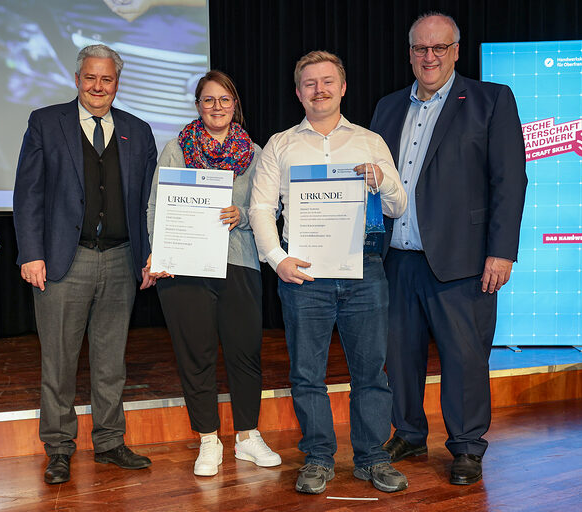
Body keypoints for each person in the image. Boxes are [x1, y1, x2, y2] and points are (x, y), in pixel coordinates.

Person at [370, 12, 527, 485]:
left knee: (465, 359)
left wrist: (502, 251)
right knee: (399, 355)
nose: (430, 57)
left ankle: (465, 447)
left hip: (464, 260)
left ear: (456, 51)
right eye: (421, 48)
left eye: (440, 48)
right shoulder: (387, 107)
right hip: (397, 257)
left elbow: (510, 180)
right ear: (410, 53)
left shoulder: (490, 100)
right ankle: (410, 433)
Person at [249, 51, 408, 495]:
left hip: (364, 273)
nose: (319, 90)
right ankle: (318, 458)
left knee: (371, 373)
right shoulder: (280, 144)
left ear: (342, 87)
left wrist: (381, 178)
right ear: (298, 92)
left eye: (327, 82)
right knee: (306, 373)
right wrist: (276, 257)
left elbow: (398, 205)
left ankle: (372, 458)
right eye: (309, 84)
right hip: (305, 277)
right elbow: (261, 207)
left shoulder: (370, 141)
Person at [13, 44, 157, 485]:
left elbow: (151, 202)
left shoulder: (138, 129)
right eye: (90, 78)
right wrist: (31, 253)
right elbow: (28, 193)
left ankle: (111, 442)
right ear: (77, 79)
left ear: (117, 83)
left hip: (120, 261)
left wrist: (155, 253)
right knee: (58, 362)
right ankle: (58, 449)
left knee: (112, 361)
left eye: (107, 79)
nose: (98, 86)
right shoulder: (45, 122)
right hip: (62, 261)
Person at [146, 70, 281, 477]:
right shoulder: (176, 149)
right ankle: (208, 439)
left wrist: (243, 215)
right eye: (208, 100)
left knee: (244, 353)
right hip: (186, 266)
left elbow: (270, 209)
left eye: (224, 100)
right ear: (197, 105)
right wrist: (159, 251)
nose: (216, 107)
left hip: (239, 263)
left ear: (235, 104)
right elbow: (156, 206)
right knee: (196, 355)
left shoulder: (256, 153)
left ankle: (247, 437)